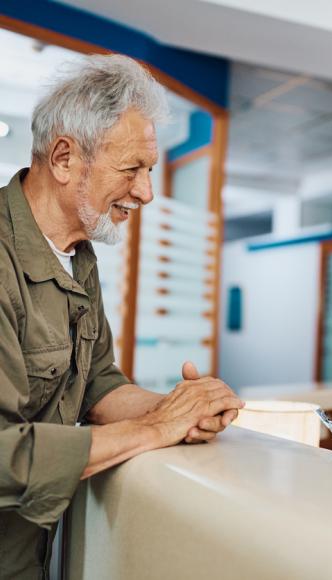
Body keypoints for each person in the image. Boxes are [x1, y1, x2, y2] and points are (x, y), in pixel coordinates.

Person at [0, 54, 244, 579]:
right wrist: (155, 428)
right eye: (131, 169)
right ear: (64, 158)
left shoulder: (77, 255)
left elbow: (97, 384)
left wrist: (180, 408)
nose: (146, 192)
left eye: (150, 170)